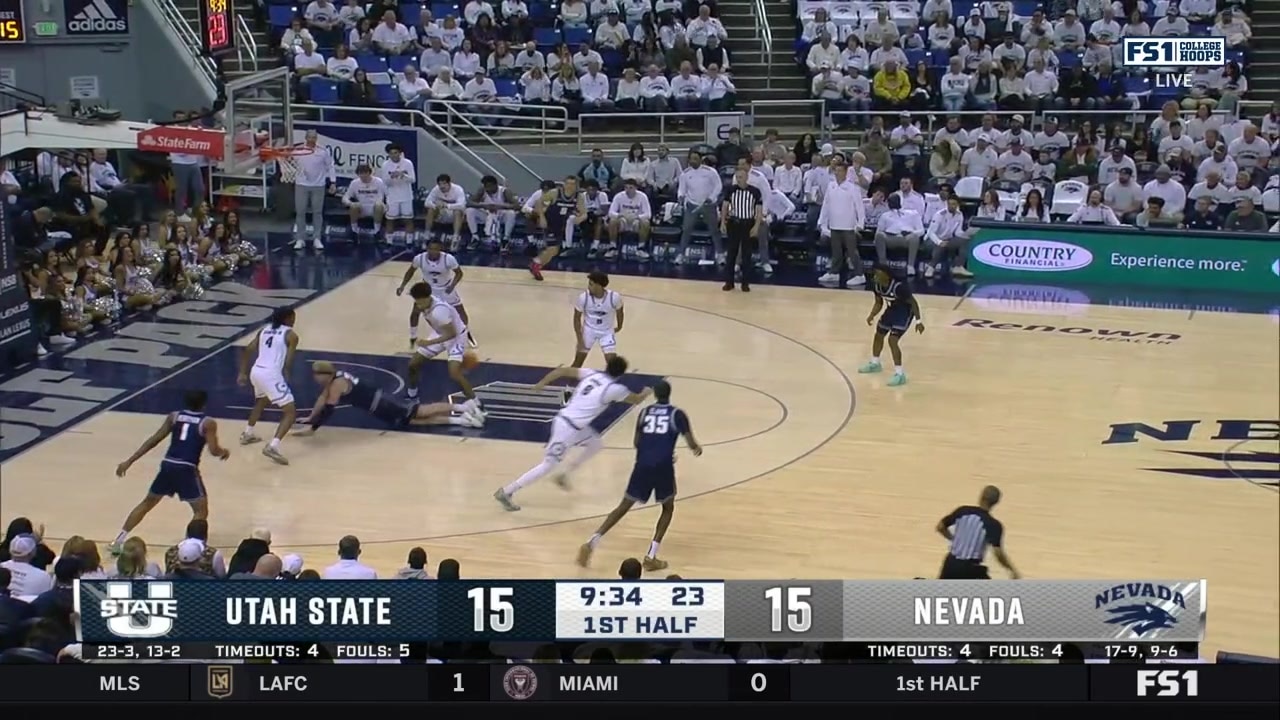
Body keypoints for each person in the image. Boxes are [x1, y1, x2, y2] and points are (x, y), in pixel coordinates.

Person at [494, 357, 651, 511]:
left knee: (595, 444)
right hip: (567, 429)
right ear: (621, 374)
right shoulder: (615, 389)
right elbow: (636, 399)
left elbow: (562, 371)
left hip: (574, 425)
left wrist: (542, 383)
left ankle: (564, 474)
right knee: (548, 465)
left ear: (606, 366)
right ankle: (507, 491)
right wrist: (647, 391)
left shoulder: (591, 374)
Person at [577, 380, 701, 571]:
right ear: (669, 394)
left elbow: (637, 442)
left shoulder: (644, 413)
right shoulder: (677, 414)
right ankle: (651, 556)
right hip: (662, 466)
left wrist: (652, 451)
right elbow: (691, 443)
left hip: (642, 464)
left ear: (656, 395)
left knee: (623, 506)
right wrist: (695, 449)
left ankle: (592, 541)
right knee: (667, 508)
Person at [110, 390, 230, 553]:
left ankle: (118, 541)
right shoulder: (208, 422)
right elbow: (213, 450)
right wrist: (224, 452)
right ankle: (192, 547)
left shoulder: (174, 416)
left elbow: (154, 440)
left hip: (168, 465)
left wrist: (129, 461)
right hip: (186, 467)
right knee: (201, 510)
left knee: (147, 503)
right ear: (204, 404)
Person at [299, 361, 483, 433]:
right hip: (379, 404)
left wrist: (313, 428)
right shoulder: (333, 380)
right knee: (409, 421)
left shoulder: (337, 384)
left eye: (316, 374)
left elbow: (329, 408)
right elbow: (321, 400)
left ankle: (463, 409)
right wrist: (310, 417)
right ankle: (461, 421)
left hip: (383, 403)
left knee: (419, 412)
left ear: (324, 374)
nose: (314, 378)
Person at [238, 308, 300, 465]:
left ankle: (247, 433)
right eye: (293, 317)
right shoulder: (291, 335)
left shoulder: (263, 330)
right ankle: (273, 446)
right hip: (271, 375)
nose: (294, 320)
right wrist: (285, 376)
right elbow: (288, 361)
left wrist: (242, 373)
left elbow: (247, 349)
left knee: (261, 401)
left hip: (256, 371)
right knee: (290, 412)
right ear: (287, 318)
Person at [404, 283, 480, 410]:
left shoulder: (440, 311)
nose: (417, 305)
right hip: (439, 333)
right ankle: (412, 395)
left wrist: (428, 343)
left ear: (426, 298)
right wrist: (413, 335)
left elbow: (451, 334)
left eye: (419, 301)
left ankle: (476, 403)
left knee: (454, 373)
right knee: (413, 364)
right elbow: (415, 315)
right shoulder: (421, 303)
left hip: (456, 337)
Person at [398, 238, 477, 348]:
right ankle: (413, 337)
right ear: (427, 249)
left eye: (436, 249)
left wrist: (452, 285)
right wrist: (402, 286)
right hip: (428, 290)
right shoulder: (419, 258)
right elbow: (410, 271)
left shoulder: (448, 259)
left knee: (460, 313)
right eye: (431, 249)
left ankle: (466, 333)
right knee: (416, 312)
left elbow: (459, 273)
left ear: (440, 249)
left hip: (445, 289)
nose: (433, 251)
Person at [859, 265, 924, 387]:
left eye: (878, 274)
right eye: (874, 274)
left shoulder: (899, 287)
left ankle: (900, 374)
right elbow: (879, 302)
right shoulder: (877, 286)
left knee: (892, 340)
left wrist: (918, 321)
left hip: (904, 313)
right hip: (891, 311)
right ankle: (875, 363)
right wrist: (872, 315)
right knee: (878, 335)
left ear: (886, 275)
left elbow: (913, 303)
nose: (875, 276)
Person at [936, 485, 1020, 579]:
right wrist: (1011, 569)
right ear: (996, 502)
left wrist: (953, 538)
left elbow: (940, 527)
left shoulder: (962, 511)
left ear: (981, 497)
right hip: (970, 568)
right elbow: (998, 553)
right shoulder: (993, 525)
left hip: (950, 564)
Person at [529, 176, 587, 281]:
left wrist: (580, 218)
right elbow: (538, 203)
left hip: (561, 224)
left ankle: (536, 263)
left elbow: (584, 213)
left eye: (573, 184)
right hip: (549, 222)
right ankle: (536, 265)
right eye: (568, 183)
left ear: (577, 186)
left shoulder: (579, 197)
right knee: (552, 248)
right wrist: (541, 218)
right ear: (564, 184)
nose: (570, 186)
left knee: (555, 250)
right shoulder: (555, 193)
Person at [718, 168, 764, 292]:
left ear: (747, 177)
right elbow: (725, 207)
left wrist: (756, 226)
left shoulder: (755, 191)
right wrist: (723, 222)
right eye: (737, 177)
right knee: (731, 254)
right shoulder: (730, 190)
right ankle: (729, 282)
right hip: (734, 223)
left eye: (741, 177)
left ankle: (745, 283)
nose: (739, 179)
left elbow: (759, 211)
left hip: (748, 223)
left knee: (746, 255)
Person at [571, 271, 623, 368]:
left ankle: (609, 383)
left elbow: (620, 312)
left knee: (612, 365)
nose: (588, 287)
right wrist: (580, 340)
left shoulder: (614, 297)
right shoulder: (583, 298)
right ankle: (569, 383)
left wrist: (620, 326)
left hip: (606, 331)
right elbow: (576, 318)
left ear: (599, 285)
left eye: (591, 284)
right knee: (577, 363)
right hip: (589, 330)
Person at [342, 163, 387, 237]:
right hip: (362, 209)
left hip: (376, 208)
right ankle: (354, 231)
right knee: (354, 206)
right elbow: (345, 197)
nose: (363, 176)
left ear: (370, 173)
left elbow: (388, 195)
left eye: (365, 173)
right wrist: (350, 203)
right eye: (360, 173)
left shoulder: (379, 182)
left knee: (378, 205)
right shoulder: (354, 183)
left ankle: (377, 231)